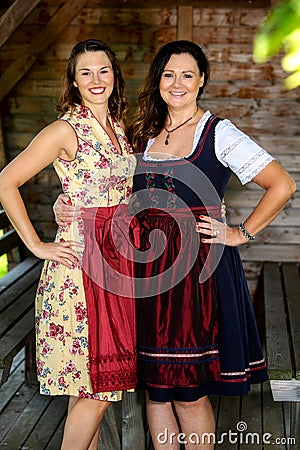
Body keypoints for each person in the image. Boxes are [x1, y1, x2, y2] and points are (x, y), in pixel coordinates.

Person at [54, 40, 296, 450]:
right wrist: (68, 201)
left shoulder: (219, 133)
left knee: (188, 391)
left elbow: (282, 184)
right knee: (157, 387)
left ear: (201, 80)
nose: (177, 83)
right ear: (158, 80)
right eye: (169, 74)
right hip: (144, 270)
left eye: (187, 74)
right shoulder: (142, 132)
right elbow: (104, 183)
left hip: (195, 275)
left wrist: (240, 233)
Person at [0, 39, 138, 450]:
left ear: (114, 75)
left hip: (117, 262)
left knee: (89, 387)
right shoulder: (65, 129)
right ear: (73, 81)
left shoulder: (118, 125)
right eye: (85, 73)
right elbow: (6, 181)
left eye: (103, 70)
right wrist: (37, 244)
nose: (96, 80)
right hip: (79, 269)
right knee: (97, 393)